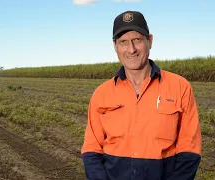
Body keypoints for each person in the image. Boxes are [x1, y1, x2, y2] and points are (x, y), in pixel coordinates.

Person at [81, 10, 202, 180]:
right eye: (123, 42)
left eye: (137, 40)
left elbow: (189, 149)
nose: (131, 49)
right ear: (115, 46)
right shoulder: (102, 94)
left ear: (149, 41)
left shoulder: (180, 87)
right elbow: (91, 150)